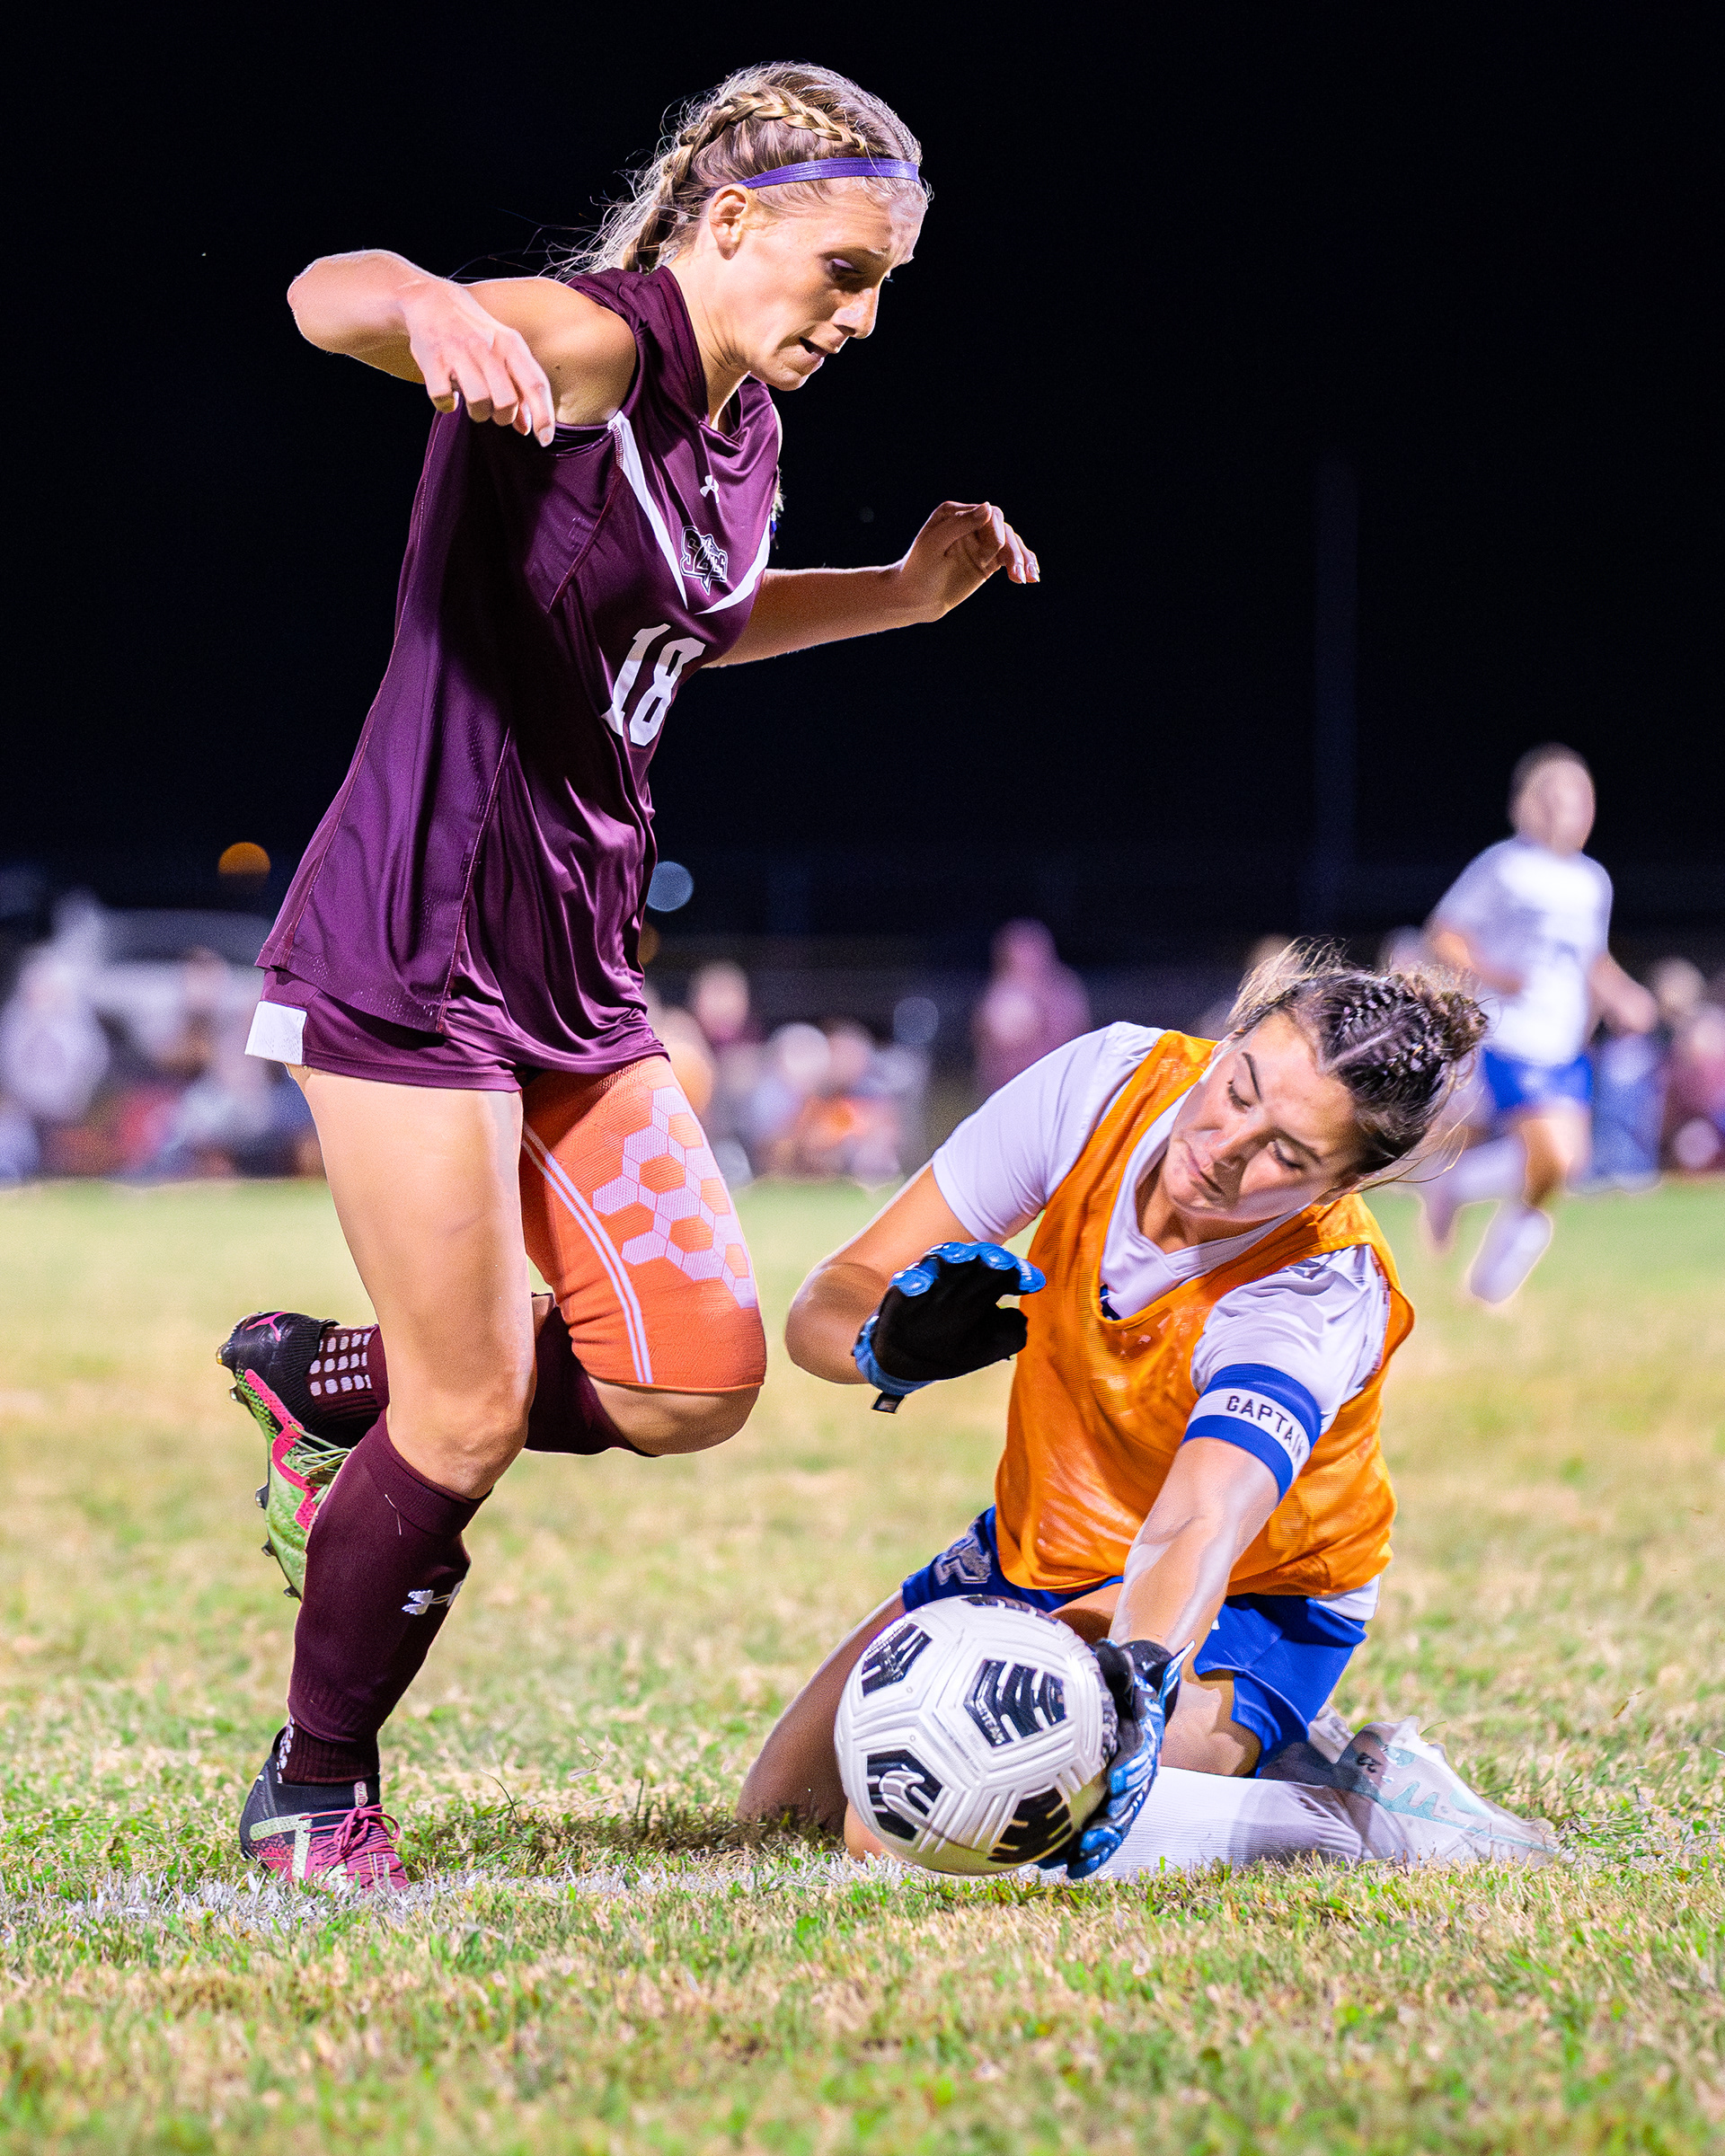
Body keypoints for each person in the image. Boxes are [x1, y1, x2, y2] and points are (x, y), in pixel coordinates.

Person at [218, 62, 1039, 1889]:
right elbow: (328, 295)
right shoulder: (600, 346)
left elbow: (694, 620)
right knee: (470, 1414)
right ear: (728, 222)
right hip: (423, 942)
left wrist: (901, 597)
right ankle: (312, 1788)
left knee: (691, 1381)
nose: (862, 316)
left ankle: (328, 1382)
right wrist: (432, 309)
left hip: (578, 965)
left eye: (884, 286)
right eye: (844, 272)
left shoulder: (745, 427)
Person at [739, 949, 1555, 1876]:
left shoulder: (1315, 1290)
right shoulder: (1103, 1085)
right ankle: (1259, 1757)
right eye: (1238, 1089)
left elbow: (1202, 1518)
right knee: (788, 1808)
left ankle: (1361, 1813)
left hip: (1245, 1594)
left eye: (1287, 1155)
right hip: (1044, 1544)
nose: (1225, 1147)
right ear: (1229, 1038)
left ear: (1339, 1186)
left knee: (898, 1833)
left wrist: (1141, 1675)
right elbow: (831, 1296)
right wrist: (881, 1346)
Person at [1421, 745, 1656, 1303]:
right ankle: (1489, 1285)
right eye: (1552, 801)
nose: (1565, 814)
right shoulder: (1504, 866)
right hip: (1509, 1032)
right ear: (1526, 805)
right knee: (1550, 1154)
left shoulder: (1592, 881)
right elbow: (1444, 935)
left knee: (1563, 1167)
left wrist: (1624, 995)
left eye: (1578, 802)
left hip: (1562, 1041)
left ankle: (1480, 1261)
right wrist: (1494, 975)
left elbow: (1590, 960)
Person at [971, 920, 1090, 1098]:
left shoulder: (1064, 991)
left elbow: (1079, 1034)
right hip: (1012, 1091)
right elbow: (995, 1051)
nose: (1031, 960)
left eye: (1035, 952)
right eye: (1023, 953)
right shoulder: (1001, 998)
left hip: (1058, 1087)